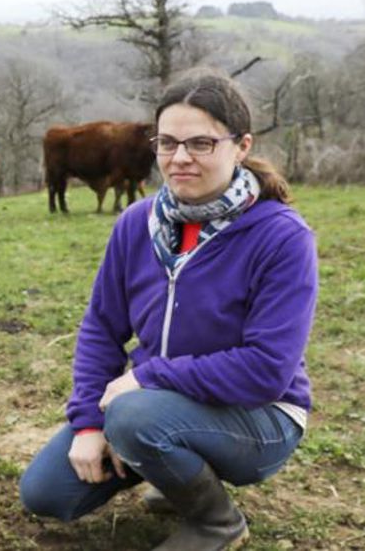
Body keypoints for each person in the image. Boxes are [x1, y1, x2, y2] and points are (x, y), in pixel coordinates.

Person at [19, 70, 317, 550]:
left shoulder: (282, 237)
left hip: (259, 416)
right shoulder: (137, 223)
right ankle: (169, 463)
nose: (179, 158)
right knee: (45, 493)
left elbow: (266, 370)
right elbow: (101, 328)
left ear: (241, 147)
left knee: (134, 418)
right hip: (154, 406)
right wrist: (89, 423)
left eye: (201, 143)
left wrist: (148, 378)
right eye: (168, 143)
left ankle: (216, 522)